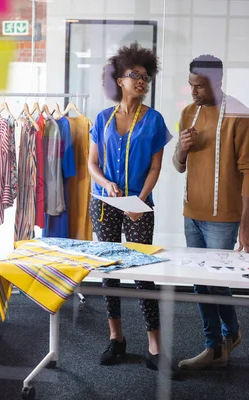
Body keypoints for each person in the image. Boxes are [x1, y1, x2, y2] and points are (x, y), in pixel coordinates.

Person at [88, 42, 172, 372]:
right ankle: (116, 339)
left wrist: (141, 200)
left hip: (139, 204)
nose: (142, 81)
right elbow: (92, 163)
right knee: (110, 273)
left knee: (143, 273)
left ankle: (154, 345)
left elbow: (155, 167)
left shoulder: (154, 120)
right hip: (105, 203)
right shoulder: (103, 118)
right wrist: (105, 183)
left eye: (146, 76)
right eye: (134, 75)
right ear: (119, 80)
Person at [173, 54, 249, 369]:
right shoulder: (188, 113)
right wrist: (182, 149)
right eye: (191, 85)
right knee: (200, 283)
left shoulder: (242, 116)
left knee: (216, 282)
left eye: (199, 86)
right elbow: (178, 166)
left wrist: (245, 226)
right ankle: (215, 345)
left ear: (216, 82)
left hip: (223, 219)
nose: (193, 92)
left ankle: (230, 334)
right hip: (191, 215)